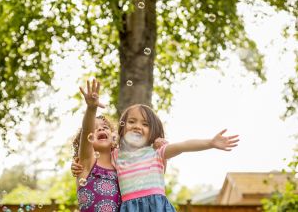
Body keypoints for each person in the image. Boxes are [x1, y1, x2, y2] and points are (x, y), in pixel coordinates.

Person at [74, 79, 239, 211]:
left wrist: (210, 142)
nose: (137, 126)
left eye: (145, 124)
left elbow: (182, 146)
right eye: (131, 121)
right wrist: (91, 109)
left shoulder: (146, 154)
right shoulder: (105, 159)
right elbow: (86, 140)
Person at [74, 79, 121, 212]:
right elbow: (86, 131)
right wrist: (91, 108)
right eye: (95, 128)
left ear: (114, 138)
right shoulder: (87, 163)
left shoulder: (120, 166)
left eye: (105, 127)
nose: (100, 130)